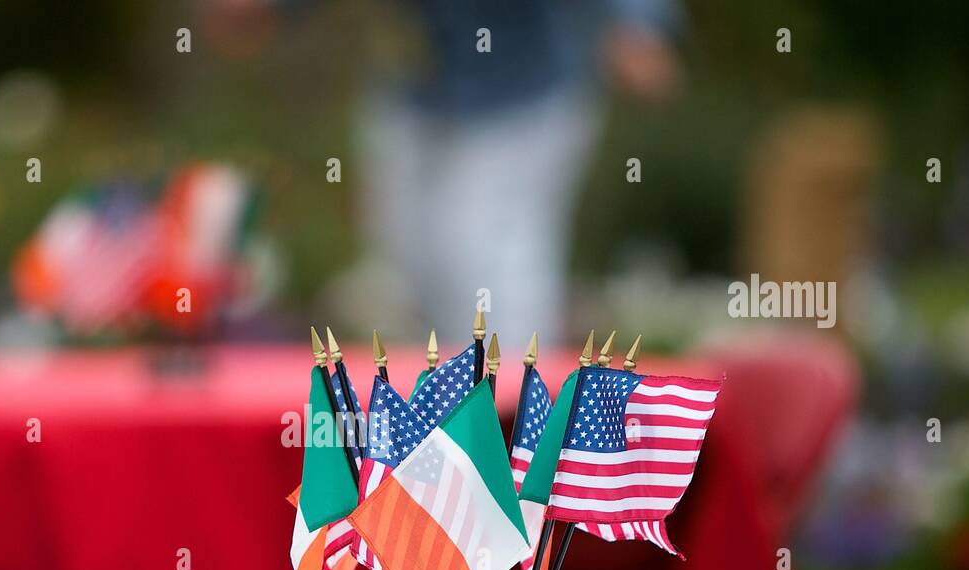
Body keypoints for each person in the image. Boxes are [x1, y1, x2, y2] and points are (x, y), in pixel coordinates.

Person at [214, 0, 682, 347]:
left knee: (481, 262)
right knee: (404, 270)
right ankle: (434, 431)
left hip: (523, 98)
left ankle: (513, 428)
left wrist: (639, 23)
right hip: (418, 94)